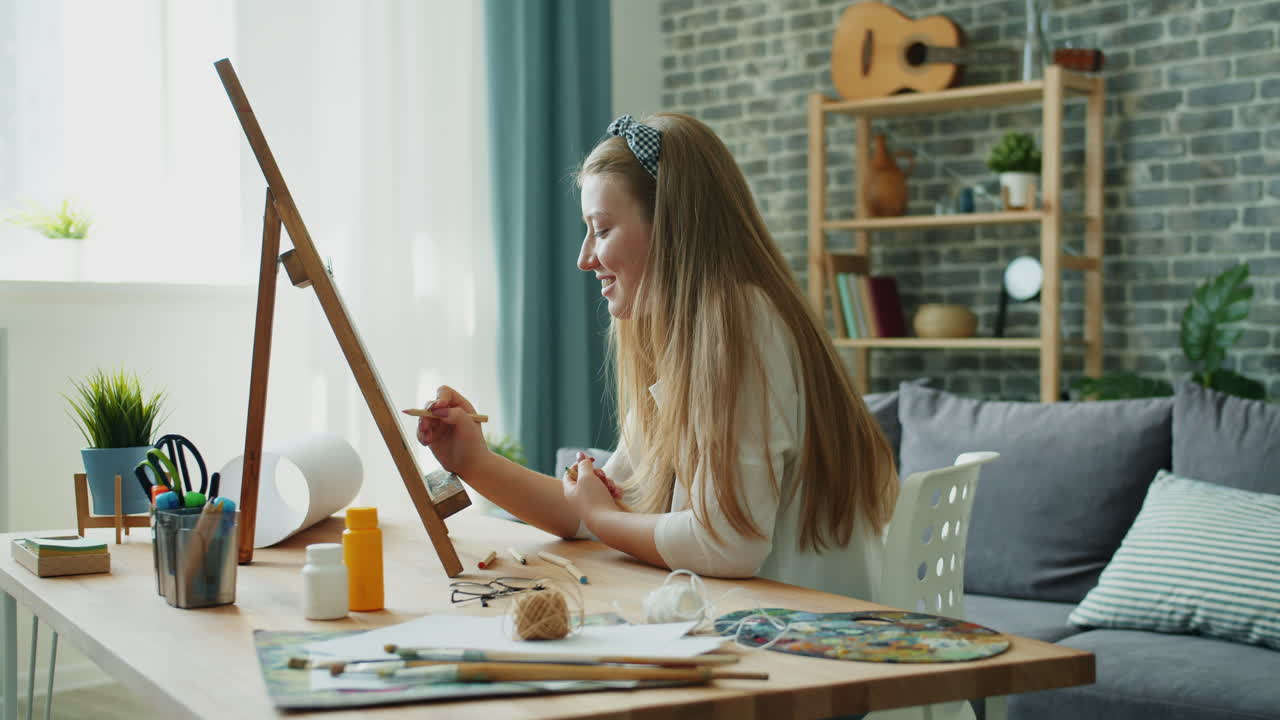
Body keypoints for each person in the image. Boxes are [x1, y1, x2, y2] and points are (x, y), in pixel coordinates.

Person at [417, 112, 897, 601]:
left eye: (602, 230)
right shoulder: (692, 337)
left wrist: (602, 515)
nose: (585, 258)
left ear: (672, 229)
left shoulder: (741, 324)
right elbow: (590, 512)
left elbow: (728, 543)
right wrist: (473, 461)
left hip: (803, 631)